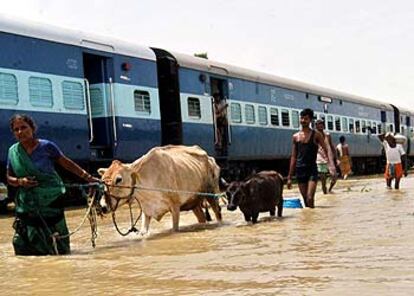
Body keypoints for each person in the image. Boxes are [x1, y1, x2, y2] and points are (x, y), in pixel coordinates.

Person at [6, 114, 98, 255]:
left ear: (32, 128)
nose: (20, 132)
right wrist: (20, 182)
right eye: (16, 129)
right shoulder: (13, 151)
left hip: (51, 201)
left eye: (24, 127)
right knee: (21, 242)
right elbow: (9, 177)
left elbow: (67, 164)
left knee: (55, 241)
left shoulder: (46, 146)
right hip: (26, 204)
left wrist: (88, 177)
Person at [287, 108, 329, 208]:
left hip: (311, 169)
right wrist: (289, 176)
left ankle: (314, 220)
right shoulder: (295, 137)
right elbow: (293, 156)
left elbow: (326, 149)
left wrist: (330, 164)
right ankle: (309, 220)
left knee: (310, 198)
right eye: (301, 118)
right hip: (300, 169)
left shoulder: (316, 135)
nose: (303, 121)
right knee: (305, 199)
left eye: (306, 119)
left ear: (310, 120)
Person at [315, 119, 337, 194]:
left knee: (334, 176)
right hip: (320, 158)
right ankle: (324, 191)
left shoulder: (327, 135)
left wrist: (336, 158)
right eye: (319, 124)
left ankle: (330, 189)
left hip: (329, 157)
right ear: (316, 126)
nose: (321, 125)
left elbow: (331, 145)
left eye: (322, 124)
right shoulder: (315, 135)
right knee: (323, 179)